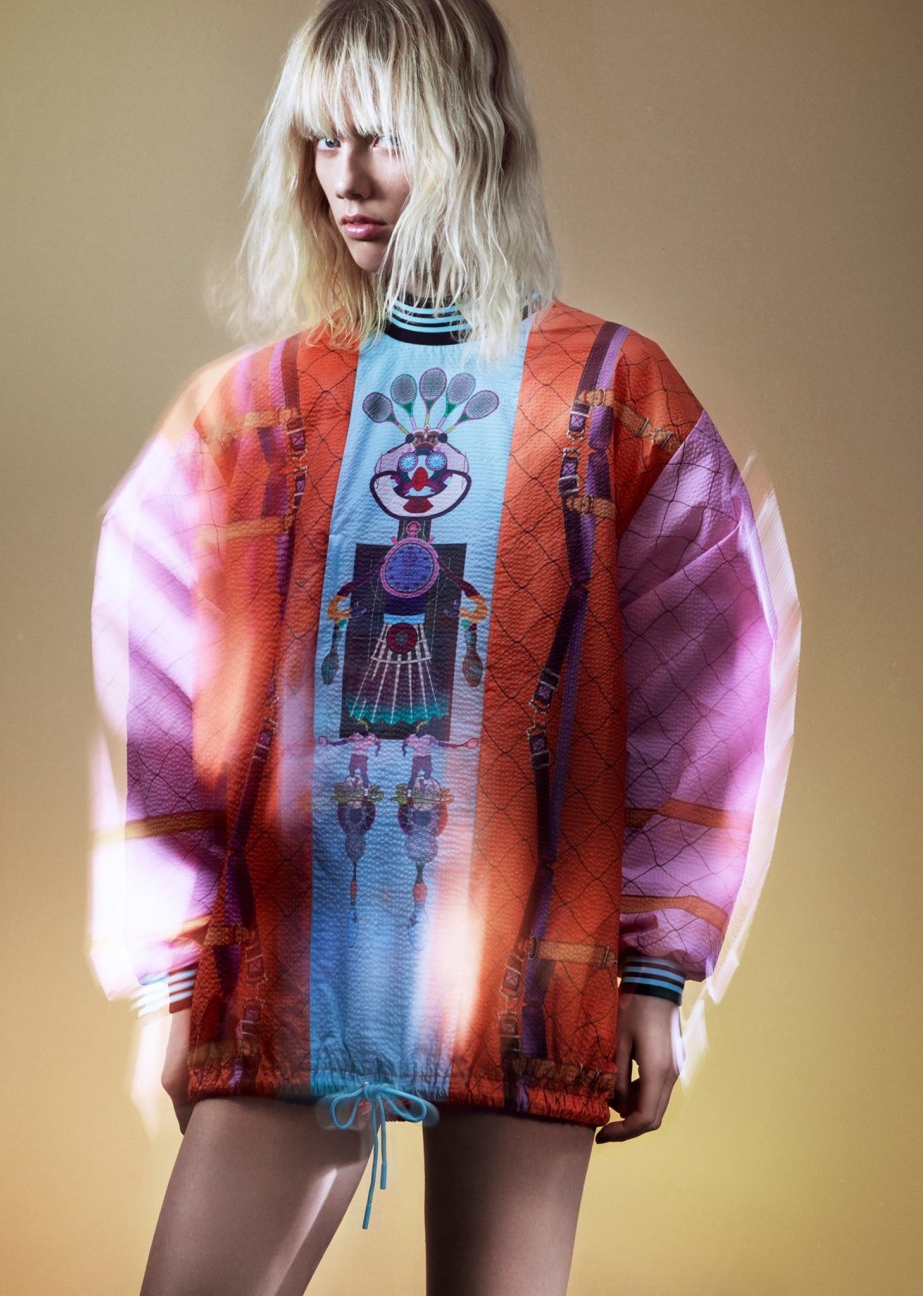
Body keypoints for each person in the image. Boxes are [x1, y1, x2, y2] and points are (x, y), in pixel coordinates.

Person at [87, 2, 798, 1293]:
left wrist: (655, 972)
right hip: (294, 952)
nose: (347, 178)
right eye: (323, 140)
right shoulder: (242, 417)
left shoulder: (613, 397)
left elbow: (709, 689)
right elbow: (159, 702)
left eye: (387, 138)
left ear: (474, 136)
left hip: (530, 954)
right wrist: (171, 980)